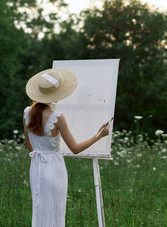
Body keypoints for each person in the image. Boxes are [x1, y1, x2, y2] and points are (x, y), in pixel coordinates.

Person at [23, 68, 110, 227]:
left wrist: (41, 155)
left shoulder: (27, 112)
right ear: (56, 95)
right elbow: (75, 148)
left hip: (36, 167)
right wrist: (99, 136)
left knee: (40, 208)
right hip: (54, 167)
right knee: (55, 211)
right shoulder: (57, 117)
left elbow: (30, 146)